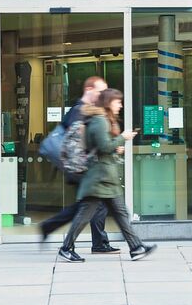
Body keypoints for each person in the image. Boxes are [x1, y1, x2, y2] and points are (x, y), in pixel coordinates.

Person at [59, 89, 157, 262]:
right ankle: (66, 248)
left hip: (105, 178)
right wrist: (123, 138)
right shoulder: (99, 120)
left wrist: (116, 147)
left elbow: (103, 147)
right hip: (99, 178)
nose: (120, 105)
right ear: (108, 102)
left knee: (120, 213)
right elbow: (104, 147)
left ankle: (136, 247)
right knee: (86, 214)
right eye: (117, 102)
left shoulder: (102, 119)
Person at [39, 76, 113, 254]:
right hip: (79, 166)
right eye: (100, 91)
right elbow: (77, 140)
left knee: (90, 204)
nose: (103, 95)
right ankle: (92, 243)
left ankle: (51, 228)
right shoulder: (79, 110)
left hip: (81, 165)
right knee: (93, 204)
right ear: (89, 90)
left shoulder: (86, 110)